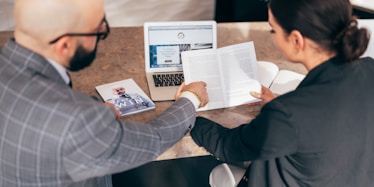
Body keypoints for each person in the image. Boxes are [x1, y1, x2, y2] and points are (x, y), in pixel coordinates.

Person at [0, 0, 208, 186]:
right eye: (99, 32)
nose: (102, 34)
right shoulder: (79, 121)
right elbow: (154, 138)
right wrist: (191, 97)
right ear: (65, 45)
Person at [190, 0, 374, 186]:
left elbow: (228, 145)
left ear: (296, 40)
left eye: (273, 30)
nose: (273, 37)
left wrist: (188, 113)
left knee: (219, 174)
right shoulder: (370, 68)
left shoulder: (288, 114)